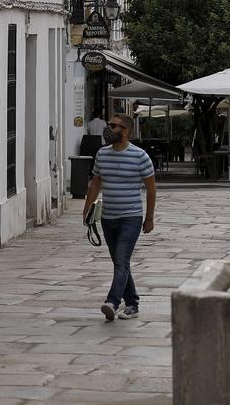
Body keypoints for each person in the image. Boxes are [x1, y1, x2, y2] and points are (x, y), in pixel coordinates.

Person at [83, 114, 156, 321]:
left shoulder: (140, 156)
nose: (108, 128)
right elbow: (96, 182)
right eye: (109, 125)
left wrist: (149, 218)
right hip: (108, 218)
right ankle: (132, 303)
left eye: (114, 126)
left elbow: (151, 189)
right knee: (119, 262)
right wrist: (87, 208)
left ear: (126, 131)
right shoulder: (102, 154)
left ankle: (112, 302)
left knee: (121, 260)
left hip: (130, 217)